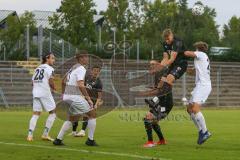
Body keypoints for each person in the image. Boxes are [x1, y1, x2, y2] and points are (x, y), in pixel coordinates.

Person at [53, 51, 98, 146]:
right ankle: (90, 140)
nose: (87, 58)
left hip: (68, 96)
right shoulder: (81, 68)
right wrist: (88, 98)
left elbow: (63, 81)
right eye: (86, 57)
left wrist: (64, 94)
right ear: (80, 58)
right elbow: (81, 85)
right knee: (92, 114)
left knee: (72, 118)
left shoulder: (73, 67)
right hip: (74, 97)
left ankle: (58, 140)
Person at [139, 60, 173, 148]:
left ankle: (150, 142)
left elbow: (160, 89)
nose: (151, 66)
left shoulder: (163, 72)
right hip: (160, 101)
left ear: (158, 64)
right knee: (153, 121)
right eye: (150, 64)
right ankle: (162, 140)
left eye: (153, 64)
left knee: (148, 118)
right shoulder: (157, 75)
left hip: (165, 102)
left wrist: (145, 94)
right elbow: (158, 89)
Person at [184, 41, 212, 145]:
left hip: (203, 86)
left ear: (198, 49)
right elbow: (193, 72)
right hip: (200, 85)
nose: (194, 50)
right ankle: (201, 131)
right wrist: (183, 69)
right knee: (189, 109)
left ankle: (205, 132)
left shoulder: (201, 54)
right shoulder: (201, 59)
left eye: (195, 48)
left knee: (195, 108)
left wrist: (178, 50)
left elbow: (187, 53)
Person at [27, 53, 56, 142]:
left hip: (35, 92)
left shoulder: (37, 68)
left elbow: (32, 83)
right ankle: (45, 134)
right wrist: (55, 88)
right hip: (44, 92)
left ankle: (30, 135)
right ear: (47, 59)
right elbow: (51, 82)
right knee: (53, 112)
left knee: (36, 114)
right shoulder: (50, 68)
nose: (54, 60)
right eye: (52, 58)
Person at [71, 65, 103, 137]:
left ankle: (83, 131)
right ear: (91, 71)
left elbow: (99, 96)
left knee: (86, 116)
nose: (96, 72)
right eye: (94, 70)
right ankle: (74, 131)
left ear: (99, 72)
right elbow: (83, 88)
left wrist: (96, 104)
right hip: (84, 99)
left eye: (97, 71)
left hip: (92, 101)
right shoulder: (88, 79)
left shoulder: (99, 82)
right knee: (76, 114)